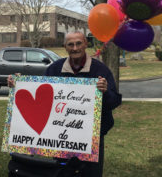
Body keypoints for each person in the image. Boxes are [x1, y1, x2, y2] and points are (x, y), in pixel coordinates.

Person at [8, 31, 122, 177]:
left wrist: (106, 92)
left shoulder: (100, 70)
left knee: (90, 174)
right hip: (61, 137)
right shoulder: (54, 69)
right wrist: (18, 86)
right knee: (62, 173)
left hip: (91, 138)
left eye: (79, 43)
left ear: (86, 44)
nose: (75, 48)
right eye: (70, 44)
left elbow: (114, 102)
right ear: (65, 47)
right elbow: (41, 99)